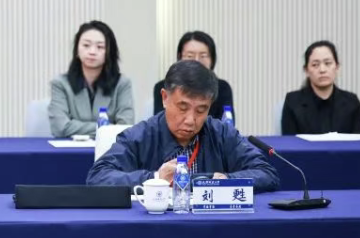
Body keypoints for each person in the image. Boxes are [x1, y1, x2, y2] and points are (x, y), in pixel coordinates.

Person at [87, 60, 279, 191]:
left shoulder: (221, 134)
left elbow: (267, 173)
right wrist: (155, 179)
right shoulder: (139, 136)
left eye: (201, 110)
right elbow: (97, 178)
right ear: (165, 98)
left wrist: (228, 181)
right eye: (183, 107)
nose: (190, 120)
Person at [48, 20, 134, 137]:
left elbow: (125, 127)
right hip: (70, 147)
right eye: (86, 45)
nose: (92, 52)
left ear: (109, 52)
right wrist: (106, 127)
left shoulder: (122, 84)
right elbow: (60, 128)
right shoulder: (61, 84)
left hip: (110, 147)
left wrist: (76, 127)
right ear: (77, 50)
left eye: (100, 47)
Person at [281, 41, 360, 134]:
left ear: (337, 67)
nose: (322, 70)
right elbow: (289, 140)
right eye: (315, 65)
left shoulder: (352, 102)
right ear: (306, 70)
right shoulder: (293, 102)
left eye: (328, 63)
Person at [153, 31, 234, 121]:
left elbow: (227, 123)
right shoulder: (164, 86)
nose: (196, 61)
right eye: (190, 56)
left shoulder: (222, 87)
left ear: (212, 59)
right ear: (179, 57)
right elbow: (160, 122)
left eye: (203, 56)